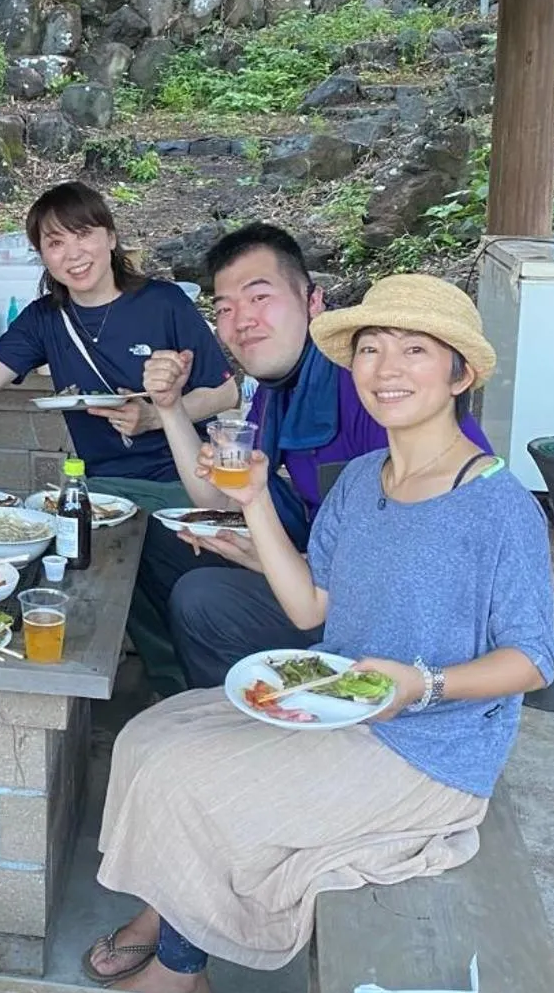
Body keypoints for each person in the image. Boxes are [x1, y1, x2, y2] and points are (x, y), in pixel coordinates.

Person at [86, 273, 554, 993]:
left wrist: (423, 685)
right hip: (341, 701)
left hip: (429, 752)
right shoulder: (365, 477)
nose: (387, 370)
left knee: (195, 782)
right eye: (370, 349)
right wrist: (250, 502)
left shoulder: (499, 505)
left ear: (459, 372)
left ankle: (182, 973)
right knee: (152, 736)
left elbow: (530, 660)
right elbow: (311, 607)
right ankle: (170, 904)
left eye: (415, 351)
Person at [130, 224, 491, 694]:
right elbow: (219, 496)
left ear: (314, 302)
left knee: (203, 598)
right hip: (328, 574)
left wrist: (282, 562)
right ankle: (187, 689)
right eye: (225, 308)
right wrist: (169, 407)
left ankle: (260, 710)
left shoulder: (378, 395)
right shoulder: (279, 390)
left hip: (389, 631)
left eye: (260, 298)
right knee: (159, 539)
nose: (241, 320)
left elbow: (416, 581)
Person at [0, 181, 237, 509]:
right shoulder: (44, 319)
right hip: (103, 491)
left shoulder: (164, 303)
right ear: (43, 256)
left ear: (111, 238)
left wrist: (155, 417)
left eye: (83, 234)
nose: (73, 254)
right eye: (55, 242)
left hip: (182, 484)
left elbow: (226, 393)